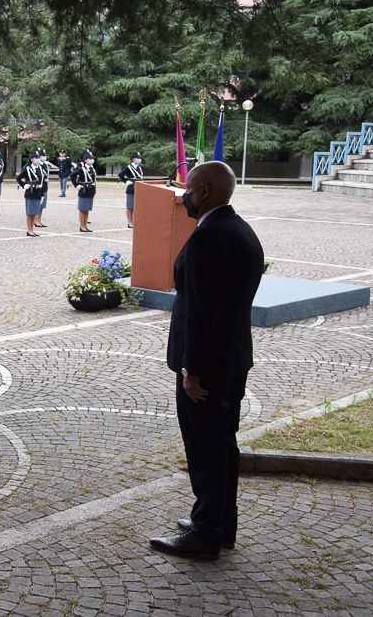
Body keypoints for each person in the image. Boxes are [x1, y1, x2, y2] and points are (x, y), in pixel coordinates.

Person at [149, 161, 264, 561]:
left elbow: (201, 309)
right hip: (233, 357)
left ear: (204, 192)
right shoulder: (241, 229)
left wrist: (190, 369)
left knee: (205, 447)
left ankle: (206, 533)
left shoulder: (207, 237)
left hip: (208, 366)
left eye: (188, 187)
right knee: (222, 443)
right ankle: (220, 521)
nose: (184, 194)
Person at [16, 148, 48, 236]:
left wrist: (42, 195)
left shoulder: (40, 169)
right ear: (31, 159)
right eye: (35, 157)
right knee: (29, 212)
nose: (38, 159)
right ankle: (29, 229)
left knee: (35, 212)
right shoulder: (27, 169)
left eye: (38, 157)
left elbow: (42, 183)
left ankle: (32, 230)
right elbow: (18, 178)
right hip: (30, 192)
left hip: (38, 192)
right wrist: (24, 185)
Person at [70, 149, 97, 233]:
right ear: (85, 160)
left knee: (87, 209)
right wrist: (76, 185)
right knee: (82, 209)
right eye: (89, 158)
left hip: (90, 190)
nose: (91, 160)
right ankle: (82, 226)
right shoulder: (82, 168)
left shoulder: (92, 168)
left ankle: (85, 225)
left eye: (92, 158)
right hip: (84, 190)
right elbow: (72, 175)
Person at [118, 151, 144, 228]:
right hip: (131, 187)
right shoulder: (128, 167)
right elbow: (120, 174)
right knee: (130, 206)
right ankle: (129, 222)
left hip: (138, 187)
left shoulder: (139, 168)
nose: (139, 159)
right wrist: (126, 181)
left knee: (135, 206)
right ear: (133, 159)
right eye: (137, 158)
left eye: (140, 158)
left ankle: (133, 221)